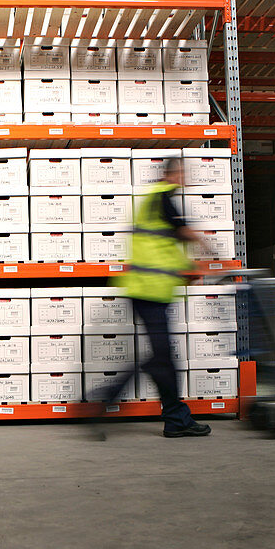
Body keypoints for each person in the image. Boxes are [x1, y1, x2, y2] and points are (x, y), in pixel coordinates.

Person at [101, 155, 213, 438]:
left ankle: (173, 418)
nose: (185, 179)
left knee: (161, 358)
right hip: (148, 289)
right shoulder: (162, 196)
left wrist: (188, 269)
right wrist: (211, 251)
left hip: (148, 288)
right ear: (173, 173)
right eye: (183, 173)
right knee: (162, 358)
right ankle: (170, 417)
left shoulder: (154, 201)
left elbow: (163, 244)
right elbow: (182, 232)